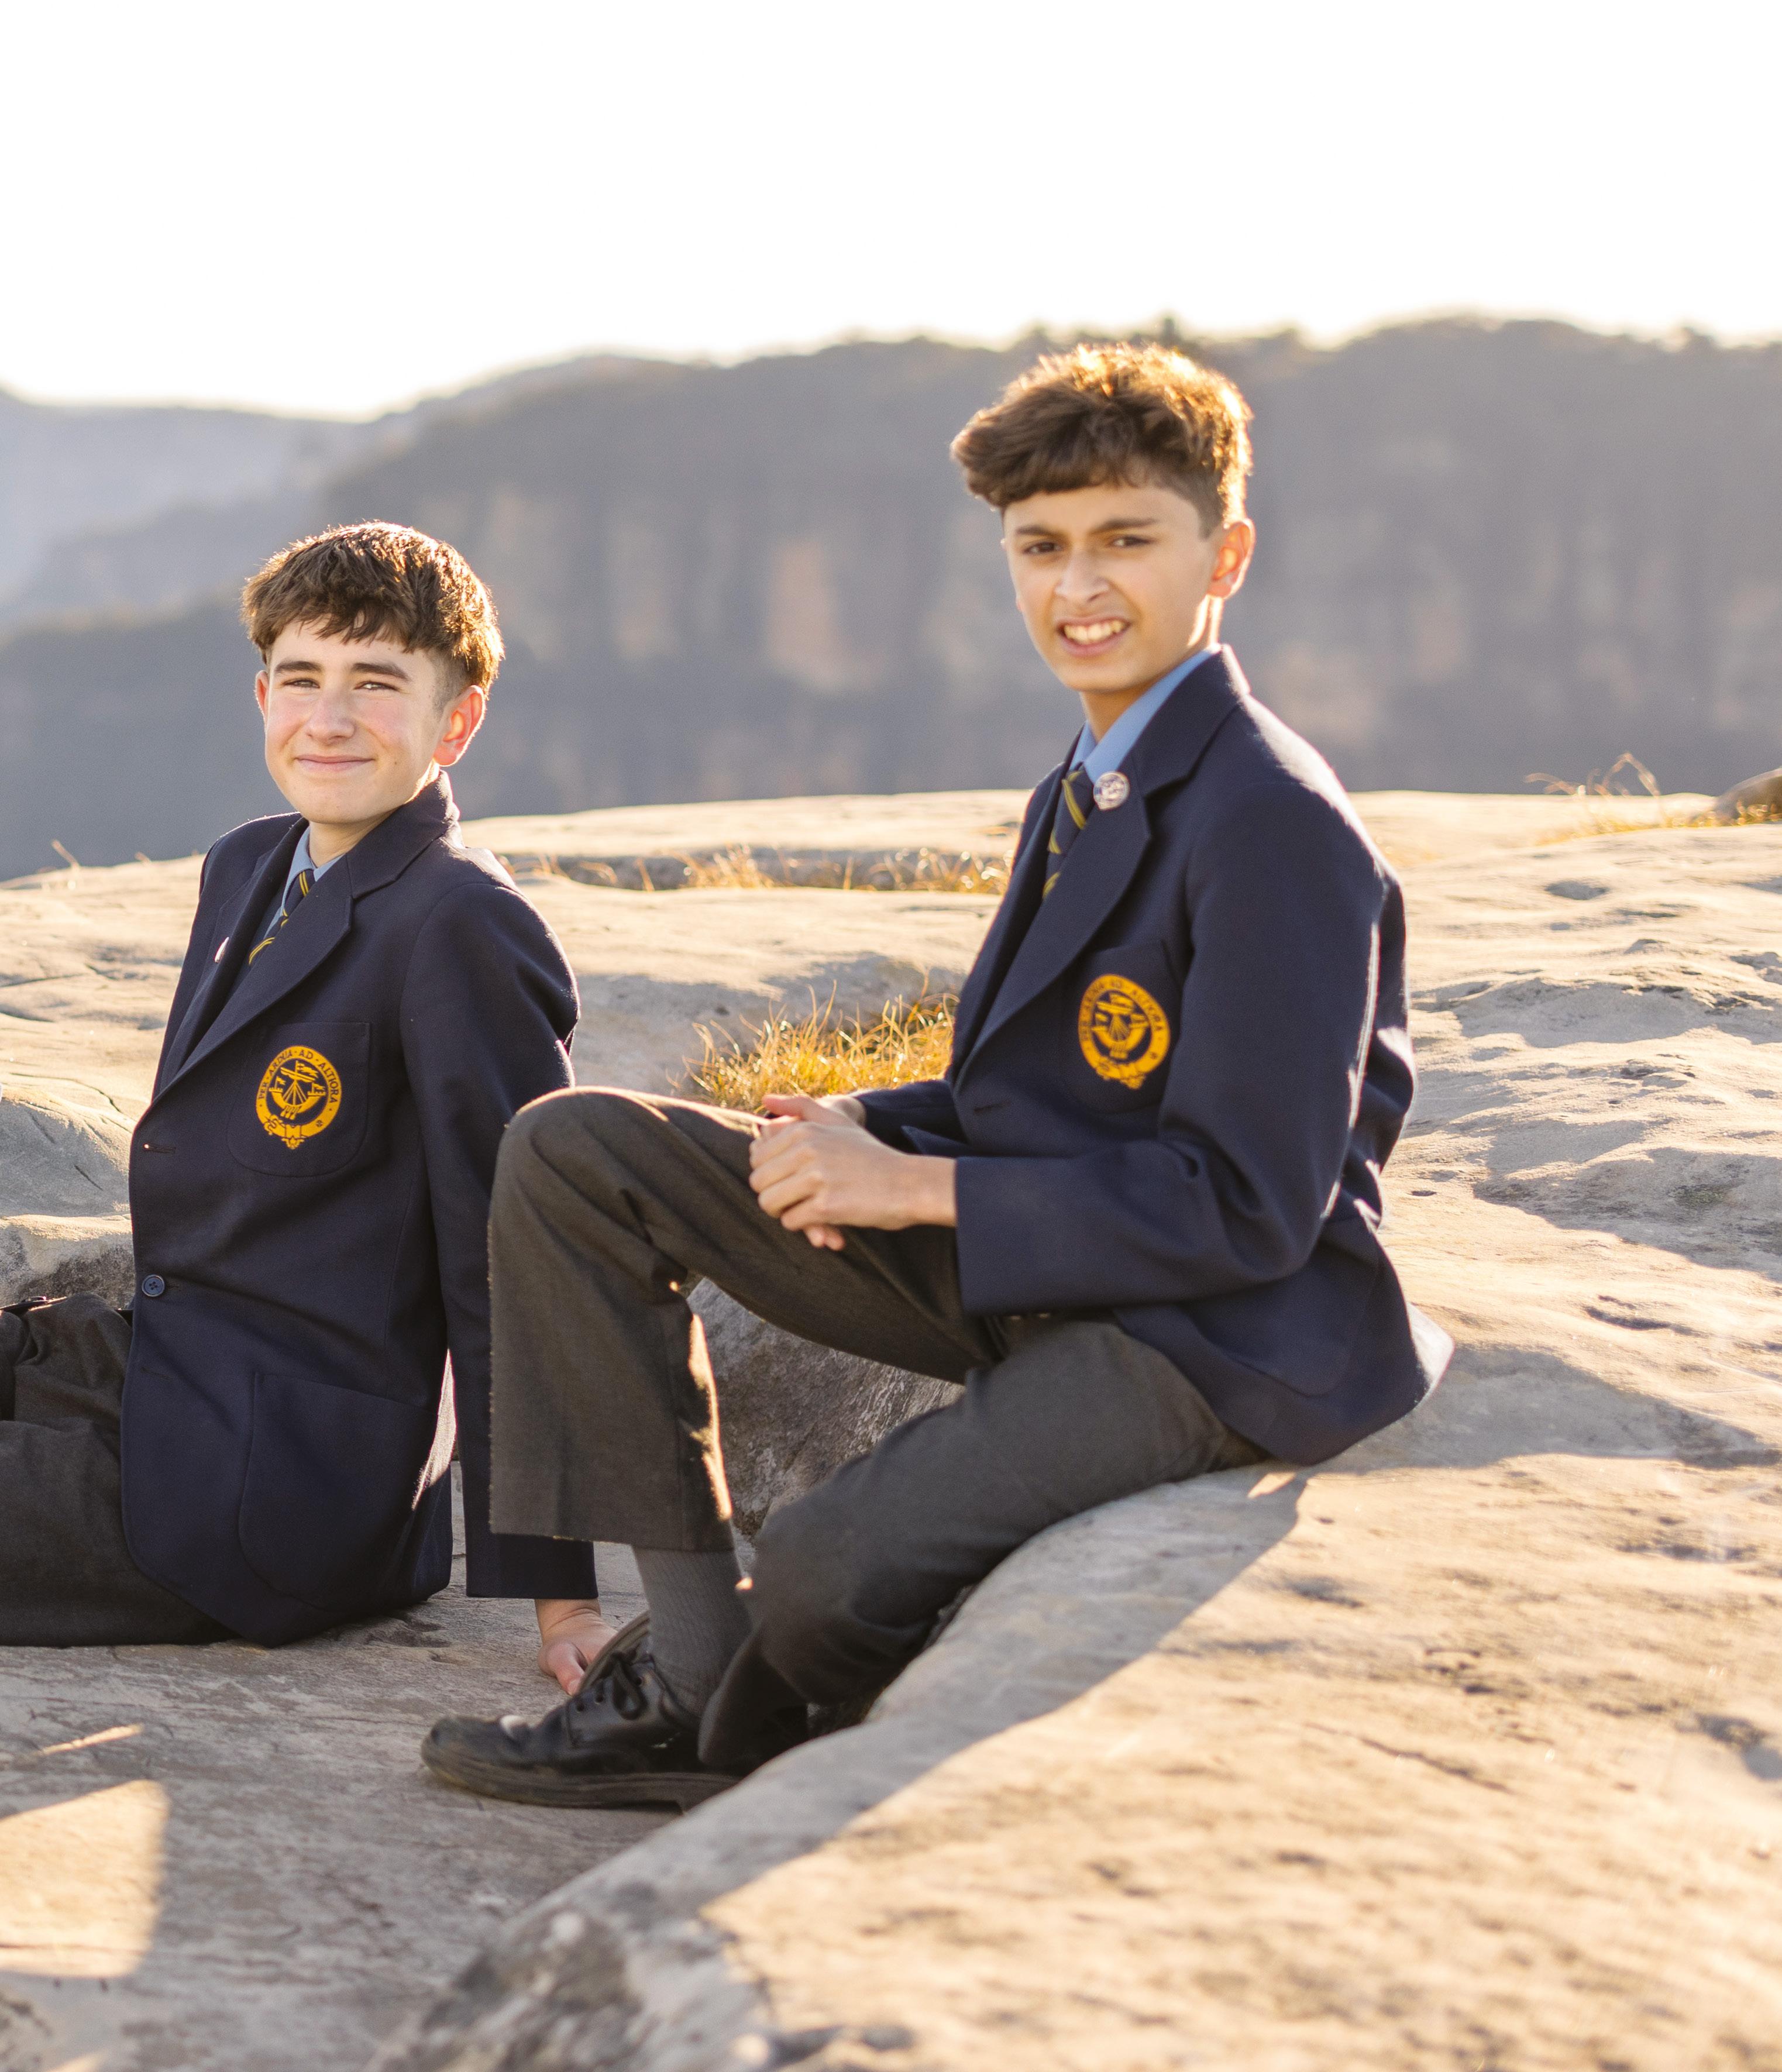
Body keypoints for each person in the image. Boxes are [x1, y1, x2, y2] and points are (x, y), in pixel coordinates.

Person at [420, 345, 1452, 1810]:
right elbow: (1018, 1093)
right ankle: (691, 1673)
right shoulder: (1086, 781)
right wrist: (857, 1124)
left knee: (824, 1566)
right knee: (575, 1152)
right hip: (1038, 1255)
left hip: (1204, 1335)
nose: (1077, 587)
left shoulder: (1272, 824)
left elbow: (1248, 1210)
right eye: (1039, 547)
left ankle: (739, 1704)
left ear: (1223, 555)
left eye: (1123, 541)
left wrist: (908, 1189)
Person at [0, 520, 610, 1688]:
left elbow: (516, 1260)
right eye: (301, 678)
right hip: (162, 1370)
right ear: (262, 696)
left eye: (375, 683)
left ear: (456, 722)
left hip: (270, 1485)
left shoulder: (460, 926)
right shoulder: (249, 865)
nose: (328, 719)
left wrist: (562, 1598)